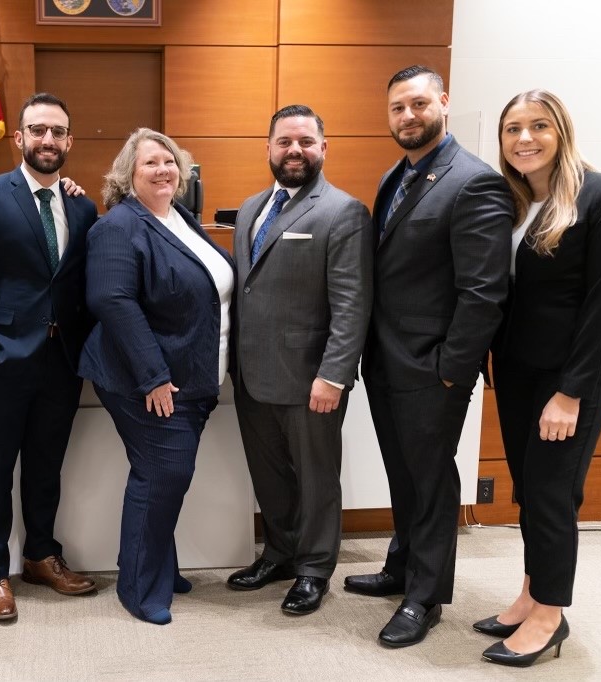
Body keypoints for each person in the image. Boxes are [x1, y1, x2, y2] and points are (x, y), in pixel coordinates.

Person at [345, 65, 512, 647]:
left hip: (433, 369)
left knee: (432, 480)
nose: (407, 116)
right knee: (404, 474)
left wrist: (451, 371)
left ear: (442, 101)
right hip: (388, 360)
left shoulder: (474, 182)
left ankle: (425, 596)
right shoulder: (399, 173)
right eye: (397, 108)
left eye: (418, 104)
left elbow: (484, 292)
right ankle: (401, 564)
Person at [475, 90, 601, 667]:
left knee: (549, 493)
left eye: (538, 126)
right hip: (519, 372)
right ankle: (530, 592)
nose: (525, 138)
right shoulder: (515, 201)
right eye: (512, 128)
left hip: (572, 378)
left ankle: (549, 615)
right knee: (530, 489)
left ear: (561, 131)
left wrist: (569, 393)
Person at [0, 92, 98, 621]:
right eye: (37, 131)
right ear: (19, 138)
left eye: (57, 132)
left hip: (61, 362)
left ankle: (40, 554)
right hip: (2, 361)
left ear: (69, 141)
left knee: (45, 466)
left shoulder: (81, 205)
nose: (48, 140)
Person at [79, 128, 234, 625]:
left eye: (170, 161)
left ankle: (157, 565)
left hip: (191, 377)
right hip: (147, 381)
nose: (164, 170)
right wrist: (153, 377)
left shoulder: (179, 217)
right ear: (128, 174)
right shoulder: (118, 227)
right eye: (150, 163)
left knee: (166, 478)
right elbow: (112, 301)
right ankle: (140, 589)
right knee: (162, 475)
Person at [226, 105, 373, 615]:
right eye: (284, 141)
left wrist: (334, 374)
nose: (294, 150)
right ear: (267, 148)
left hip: (311, 378)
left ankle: (313, 569)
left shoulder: (343, 211)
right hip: (251, 376)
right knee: (269, 476)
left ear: (323, 149)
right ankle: (281, 552)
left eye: (305, 142)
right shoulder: (249, 209)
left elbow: (352, 303)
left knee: (315, 478)